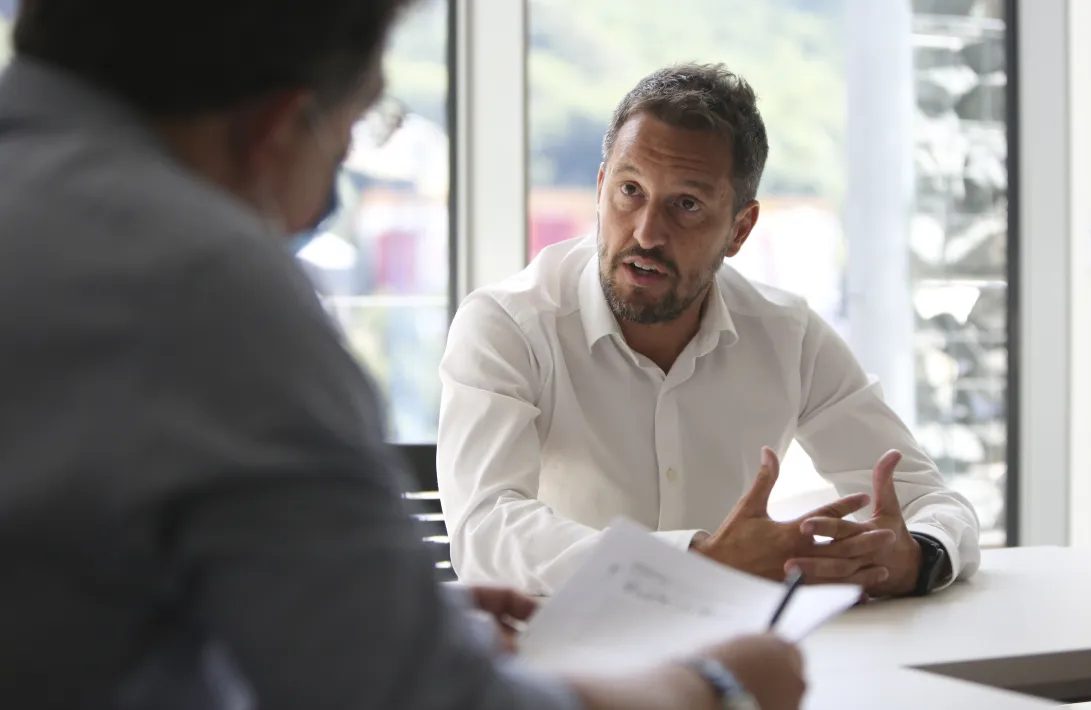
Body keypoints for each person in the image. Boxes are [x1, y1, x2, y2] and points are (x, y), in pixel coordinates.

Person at [0, 3, 805, 710]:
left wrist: (367, 619)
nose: (324, 203)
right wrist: (716, 687)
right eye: (353, 134)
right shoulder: (209, 284)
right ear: (277, 127)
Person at [437, 63, 981, 598]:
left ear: (740, 229)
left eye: (687, 205)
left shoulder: (787, 336)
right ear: (601, 187)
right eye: (630, 191)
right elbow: (483, 531)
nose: (647, 232)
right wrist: (697, 560)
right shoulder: (508, 326)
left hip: (733, 659)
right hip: (563, 664)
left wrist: (916, 556)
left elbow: (933, 505)